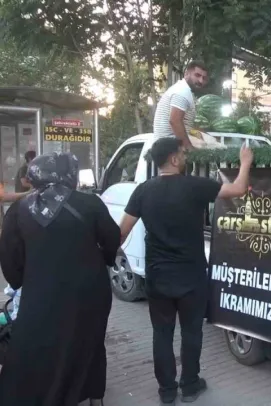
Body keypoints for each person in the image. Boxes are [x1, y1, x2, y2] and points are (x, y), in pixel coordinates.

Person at [119, 137, 254, 404]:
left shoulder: (143, 191)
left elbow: (121, 232)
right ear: (173, 159)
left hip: (158, 276)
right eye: (182, 153)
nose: (185, 157)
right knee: (192, 332)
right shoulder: (195, 186)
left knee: (162, 333)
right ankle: (190, 385)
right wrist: (245, 162)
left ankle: (167, 391)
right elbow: (239, 189)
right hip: (191, 276)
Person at [0, 152, 120, 406]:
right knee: (89, 340)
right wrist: (104, 260)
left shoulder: (19, 210)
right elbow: (112, 239)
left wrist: (22, 280)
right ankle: (93, 394)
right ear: (70, 174)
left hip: (41, 293)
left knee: (41, 342)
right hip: (89, 291)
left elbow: (9, 259)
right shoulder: (90, 203)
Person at [153, 61, 209, 150]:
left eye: (204, 78)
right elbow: (175, 121)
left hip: (167, 144)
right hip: (169, 148)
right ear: (186, 74)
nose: (201, 81)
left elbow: (184, 123)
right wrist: (189, 148)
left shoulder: (182, 89)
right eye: (197, 75)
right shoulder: (183, 91)